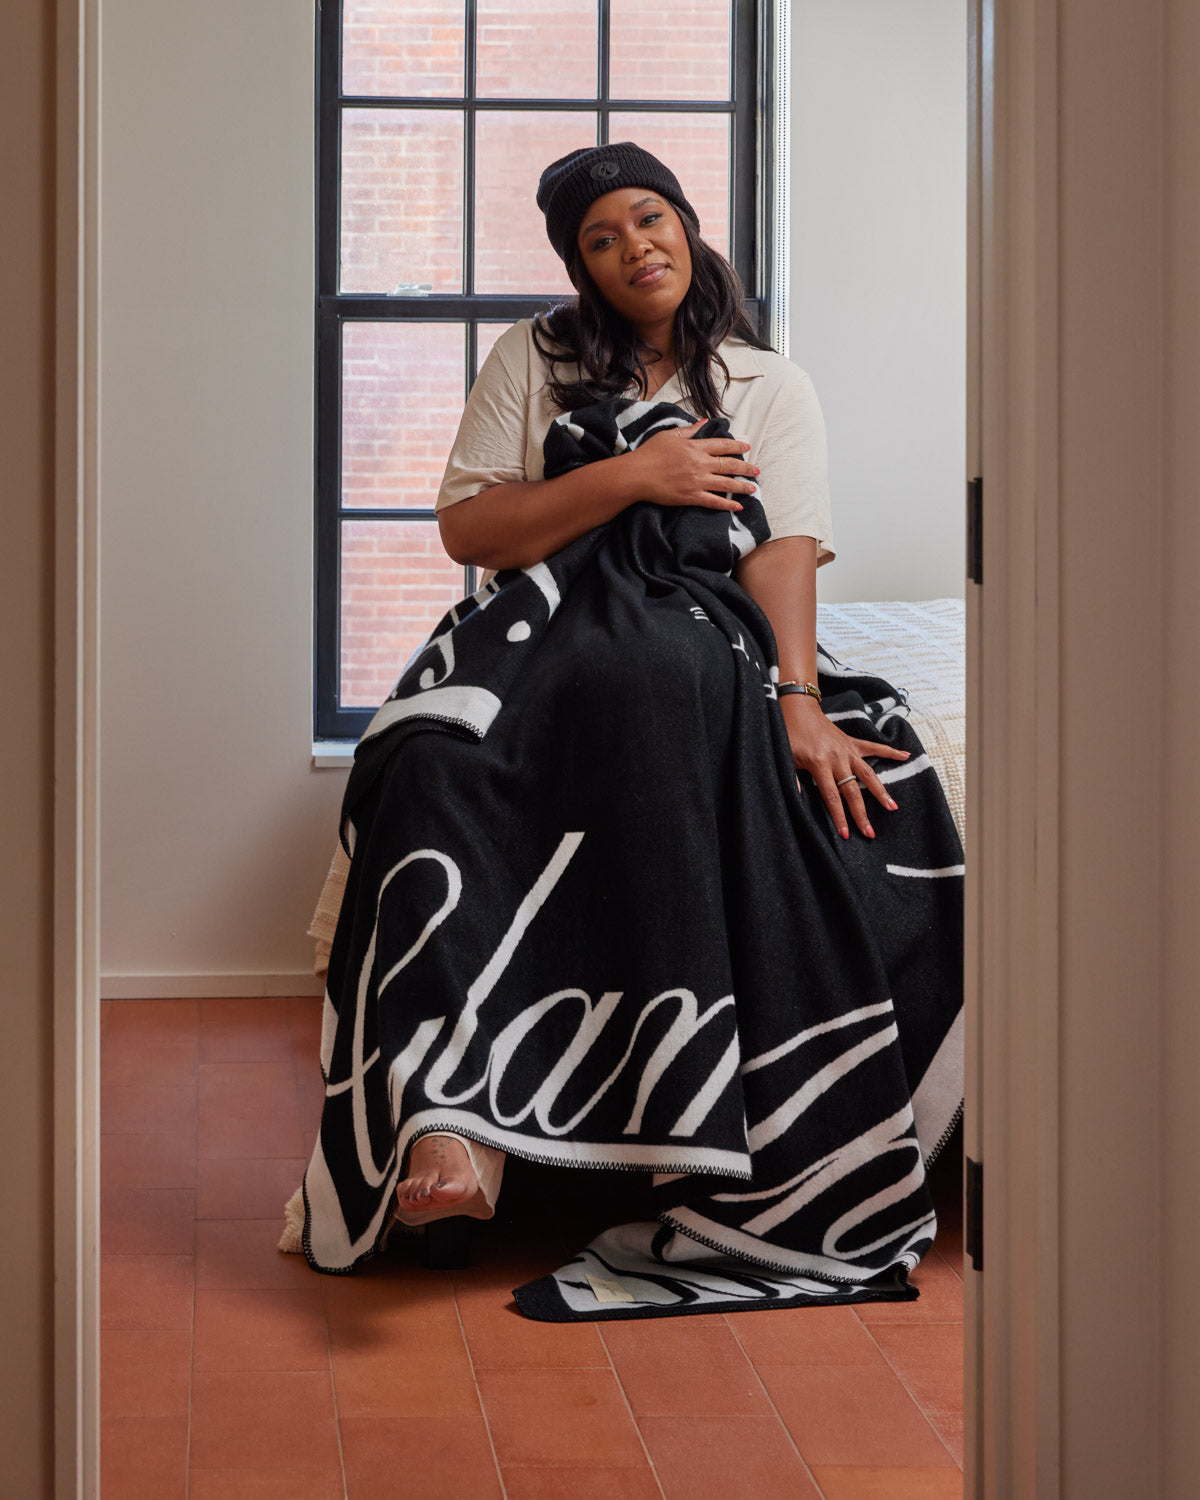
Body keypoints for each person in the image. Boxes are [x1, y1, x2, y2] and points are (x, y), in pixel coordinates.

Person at [299, 143, 962, 1302]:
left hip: (699, 631)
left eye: (647, 219)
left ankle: (677, 1119)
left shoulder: (765, 381)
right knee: (427, 774)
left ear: (688, 223)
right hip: (526, 633)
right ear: (580, 267)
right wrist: (634, 477)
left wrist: (800, 704)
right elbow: (474, 535)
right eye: (600, 241)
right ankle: (456, 1121)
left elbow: (783, 551)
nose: (632, 248)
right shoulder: (534, 358)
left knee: (669, 687)